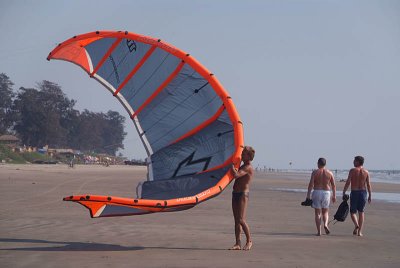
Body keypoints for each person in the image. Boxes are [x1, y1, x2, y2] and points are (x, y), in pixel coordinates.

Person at [229, 146, 255, 251]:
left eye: (243, 153)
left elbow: (235, 175)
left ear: (249, 156)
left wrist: (230, 164)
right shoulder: (242, 165)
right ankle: (237, 243)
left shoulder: (248, 167)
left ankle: (249, 241)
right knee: (236, 220)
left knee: (241, 220)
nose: (241, 155)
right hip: (235, 193)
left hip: (243, 194)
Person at [306, 158, 336, 236]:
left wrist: (308, 196)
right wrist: (334, 195)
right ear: (325, 164)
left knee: (317, 213)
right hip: (326, 192)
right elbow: (333, 185)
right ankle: (325, 225)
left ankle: (319, 232)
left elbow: (311, 184)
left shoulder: (315, 172)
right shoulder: (330, 173)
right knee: (325, 212)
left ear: (318, 163)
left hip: (317, 191)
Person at [342, 156, 372, 236]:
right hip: (363, 193)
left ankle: (356, 225)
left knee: (353, 212)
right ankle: (360, 232)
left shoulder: (352, 170)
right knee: (361, 212)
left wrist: (344, 191)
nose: (353, 162)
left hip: (354, 192)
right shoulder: (366, 171)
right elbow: (368, 185)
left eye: (354, 161)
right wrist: (370, 195)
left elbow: (348, 182)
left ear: (358, 162)